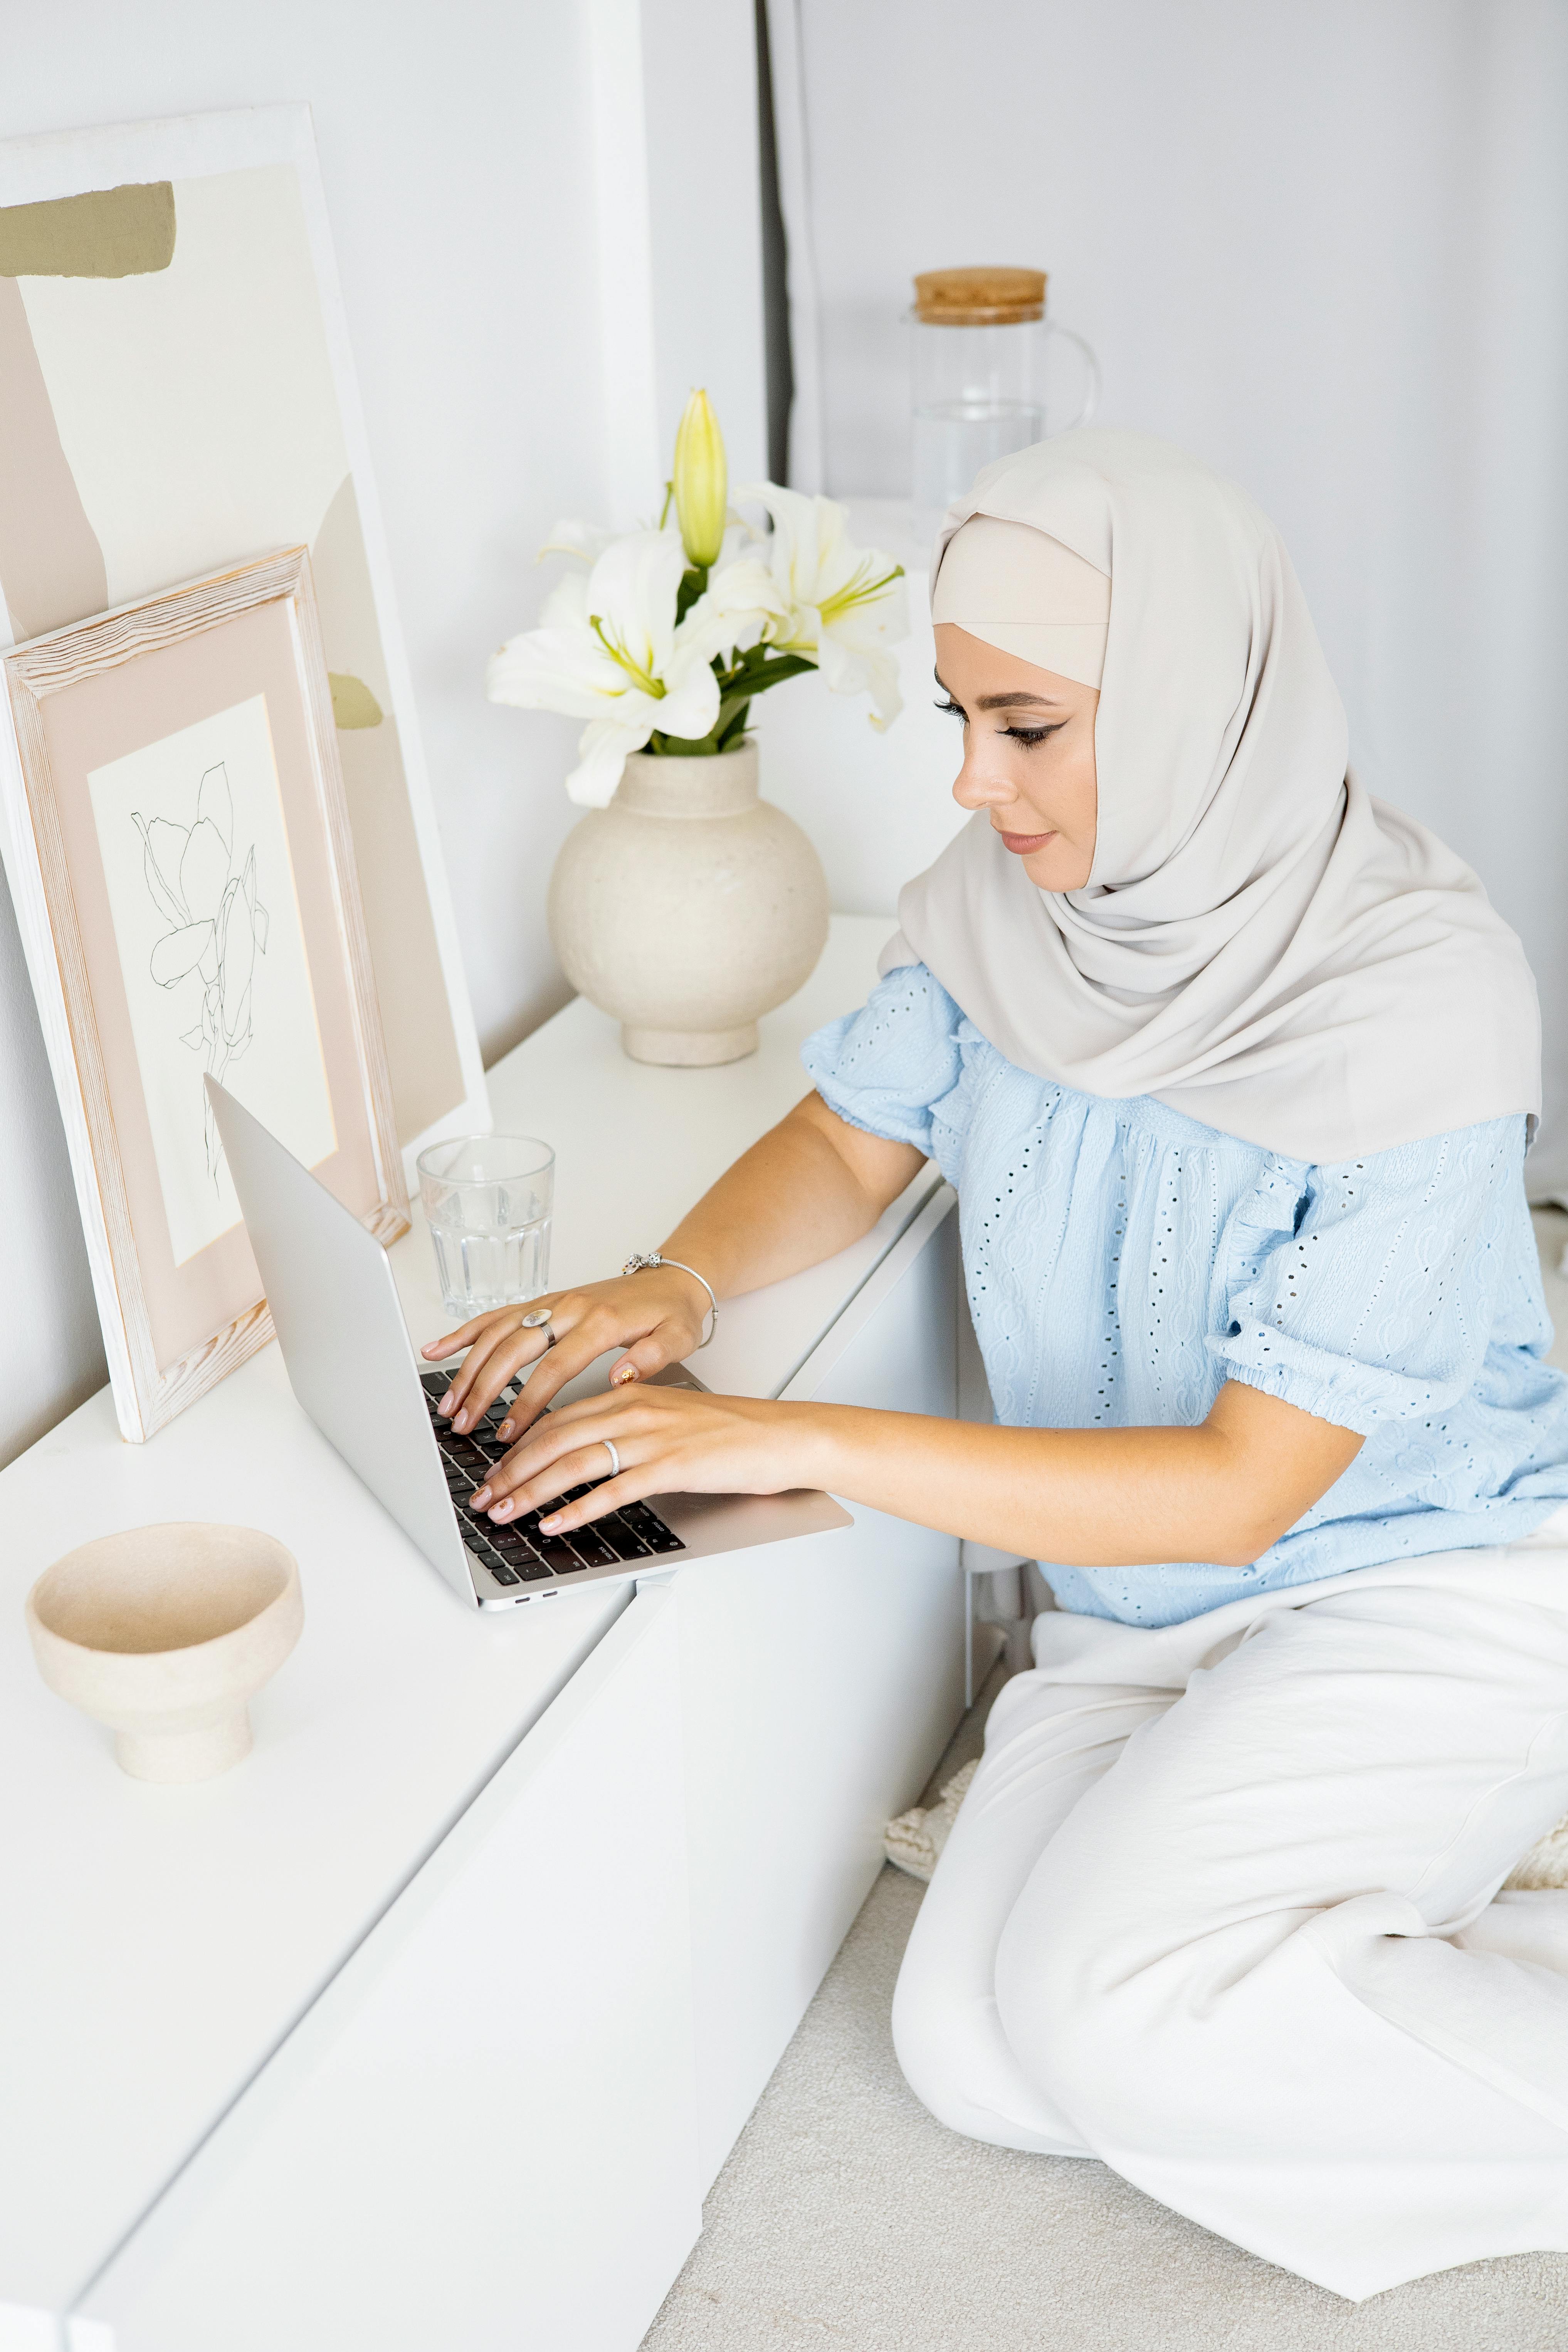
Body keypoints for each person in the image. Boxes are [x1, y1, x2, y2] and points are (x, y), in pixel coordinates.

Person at [423, 432, 1568, 2300]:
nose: (970, 781)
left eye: (1025, 725)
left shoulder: (1420, 1001)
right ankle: (1389, 1950)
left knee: (1110, 2018)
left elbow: (1241, 1486)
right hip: (1127, 1615)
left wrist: (789, 1433)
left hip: (1416, 1587)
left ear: (1200, 701)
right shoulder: (1005, 910)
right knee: (977, 2052)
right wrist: (679, 1283)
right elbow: (855, 1128)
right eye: (957, 717)